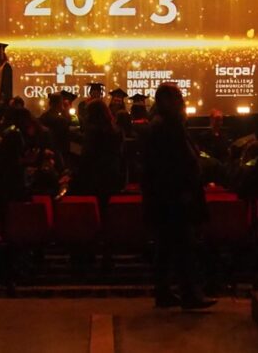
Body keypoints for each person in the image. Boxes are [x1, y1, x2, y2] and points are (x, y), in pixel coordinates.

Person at [141, 83, 216, 310]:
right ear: (168, 100)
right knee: (184, 245)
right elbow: (177, 162)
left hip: (164, 196)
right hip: (175, 196)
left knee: (166, 246)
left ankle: (164, 293)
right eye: (178, 97)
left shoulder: (157, 124)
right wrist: (186, 188)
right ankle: (190, 294)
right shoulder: (169, 126)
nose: (182, 101)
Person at [71, 98, 124, 209]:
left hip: (94, 175)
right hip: (112, 172)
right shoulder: (115, 131)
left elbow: (87, 155)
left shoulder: (93, 132)